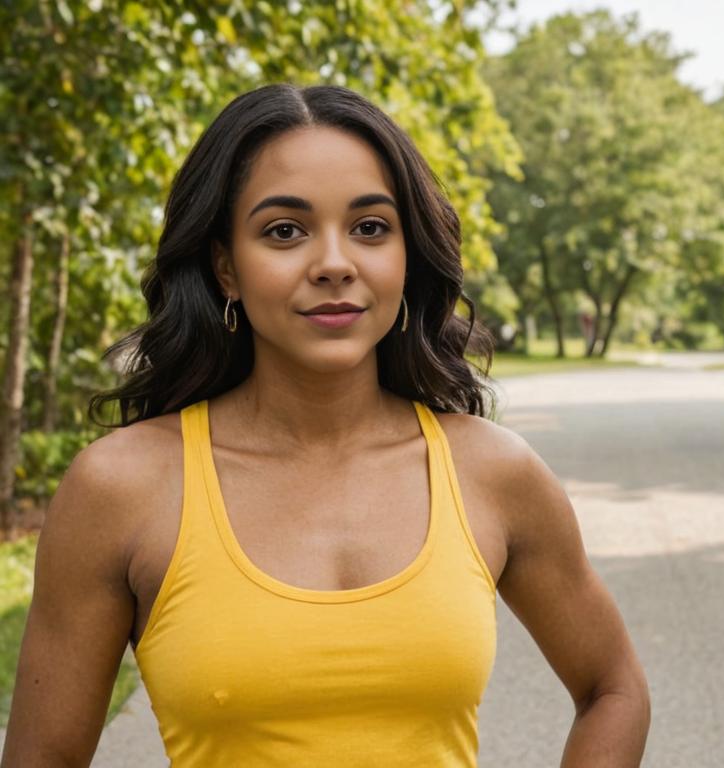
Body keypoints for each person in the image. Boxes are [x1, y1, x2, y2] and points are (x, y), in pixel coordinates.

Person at [2, 84, 650, 767]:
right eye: (285, 231)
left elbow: (615, 689)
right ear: (226, 266)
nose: (335, 264)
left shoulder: (492, 472)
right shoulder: (122, 488)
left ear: (406, 254)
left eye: (370, 227)